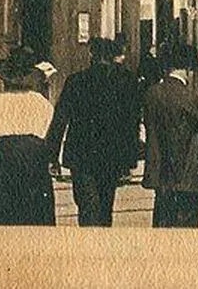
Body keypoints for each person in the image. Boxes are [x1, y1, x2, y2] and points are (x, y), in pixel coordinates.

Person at [45, 37, 141, 226]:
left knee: (87, 207)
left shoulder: (76, 80)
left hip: (82, 156)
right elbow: (132, 122)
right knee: (106, 207)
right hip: (112, 155)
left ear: (91, 55)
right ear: (114, 56)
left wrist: (52, 155)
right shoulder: (127, 80)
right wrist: (130, 160)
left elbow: (60, 119)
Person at [0, 45, 56, 225]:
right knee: (36, 216)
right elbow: (50, 136)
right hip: (34, 161)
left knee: (6, 216)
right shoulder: (42, 103)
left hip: (5, 161)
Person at [142, 43, 198, 228]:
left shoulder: (152, 94)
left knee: (163, 222)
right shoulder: (189, 97)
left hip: (161, 171)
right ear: (188, 70)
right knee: (186, 225)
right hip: (188, 172)